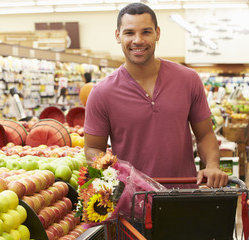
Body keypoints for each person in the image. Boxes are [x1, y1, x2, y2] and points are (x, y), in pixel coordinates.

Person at [84, 3, 228, 188]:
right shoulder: (101, 93)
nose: (138, 40)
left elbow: (205, 134)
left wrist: (212, 165)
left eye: (146, 32)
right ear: (118, 36)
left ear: (157, 33)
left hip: (182, 196)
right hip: (131, 202)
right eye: (129, 33)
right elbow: (92, 148)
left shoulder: (188, 80)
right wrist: (112, 174)